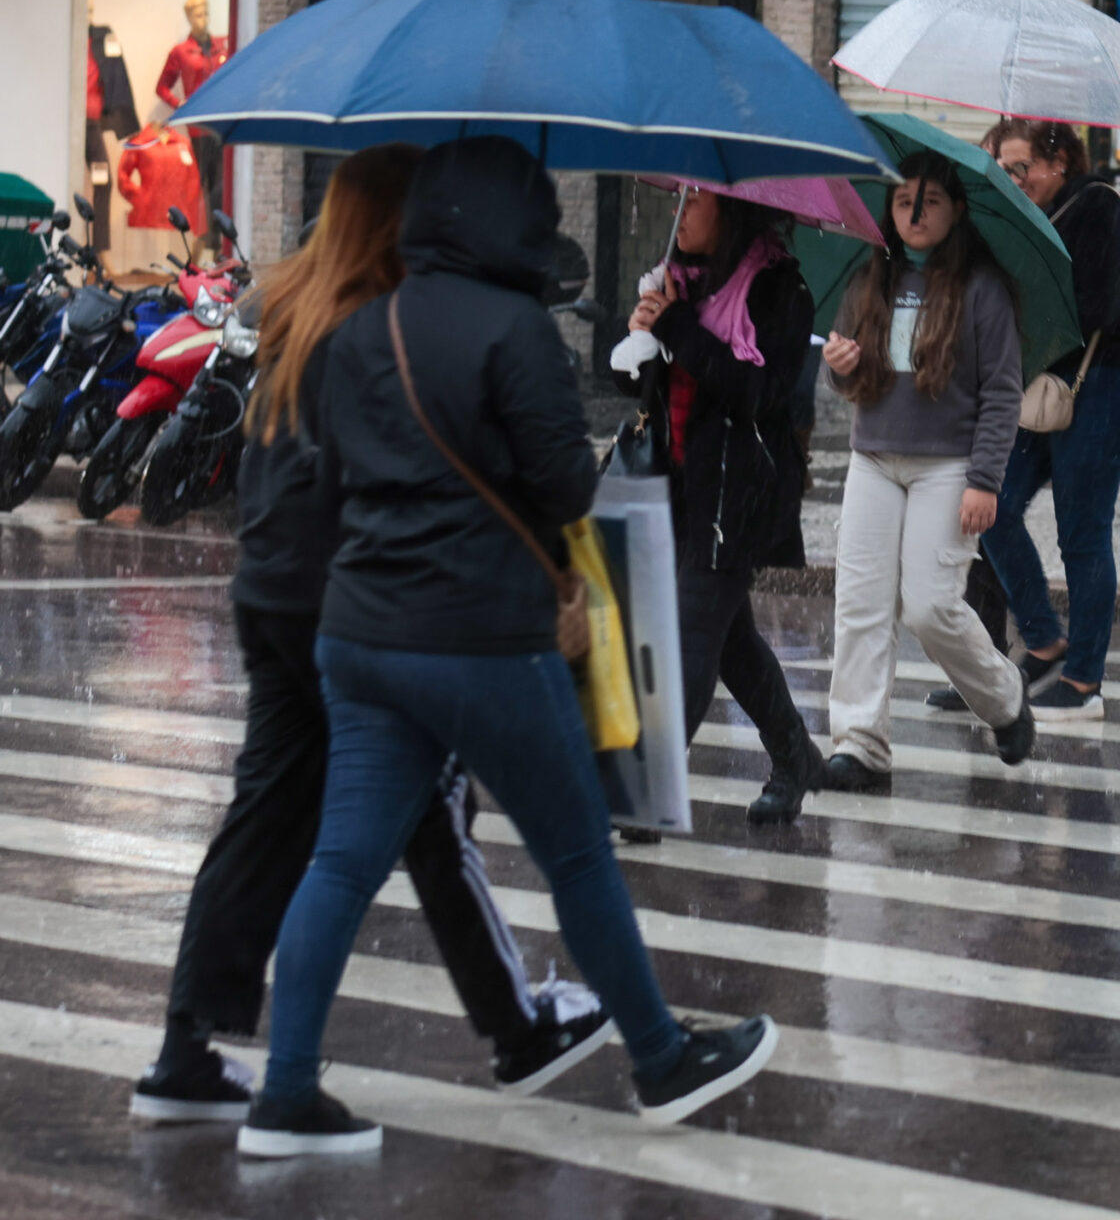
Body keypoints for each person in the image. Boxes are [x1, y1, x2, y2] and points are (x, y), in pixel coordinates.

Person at [246, 136, 776, 1157]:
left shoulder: (360, 326)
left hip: (360, 634)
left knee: (342, 865)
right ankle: (661, 1056)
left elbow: (335, 469)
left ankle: (285, 1092)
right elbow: (569, 492)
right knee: (576, 853)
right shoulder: (515, 327)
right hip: (481, 637)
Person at [131, 146, 605, 1127]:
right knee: (431, 816)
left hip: (270, 591)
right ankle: (517, 1027)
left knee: (266, 816)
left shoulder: (291, 307)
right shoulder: (379, 323)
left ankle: (187, 1045)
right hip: (353, 602)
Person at [820, 152, 1036, 793]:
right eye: (902, 200)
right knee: (861, 604)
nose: (914, 213)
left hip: (948, 467)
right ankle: (859, 744)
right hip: (873, 458)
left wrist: (985, 480)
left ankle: (1004, 698)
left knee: (931, 607)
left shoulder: (982, 289)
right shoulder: (869, 279)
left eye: (930, 201)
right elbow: (846, 375)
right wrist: (840, 365)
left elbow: (1003, 391)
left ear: (956, 211)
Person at [942, 118, 1120, 723]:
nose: (1013, 180)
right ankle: (1042, 640)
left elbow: (1102, 304)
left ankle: (1084, 682)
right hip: (1046, 384)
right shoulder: (1015, 215)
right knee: (992, 502)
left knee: (1082, 530)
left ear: (1059, 161)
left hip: (1110, 379)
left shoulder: (1097, 208)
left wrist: (1022, 302)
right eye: (1002, 170)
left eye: (1022, 168)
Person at [619, 188, 822, 825]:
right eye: (679, 196)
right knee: (729, 640)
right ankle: (794, 754)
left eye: (696, 199)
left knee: (689, 638)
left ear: (732, 209)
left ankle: (645, 790)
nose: (680, 210)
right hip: (680, 488)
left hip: (738, 493)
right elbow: (640, 390)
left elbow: (758, 392)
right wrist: (640, 341)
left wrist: (678, 328)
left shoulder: (780, 290)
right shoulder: (677, 283)